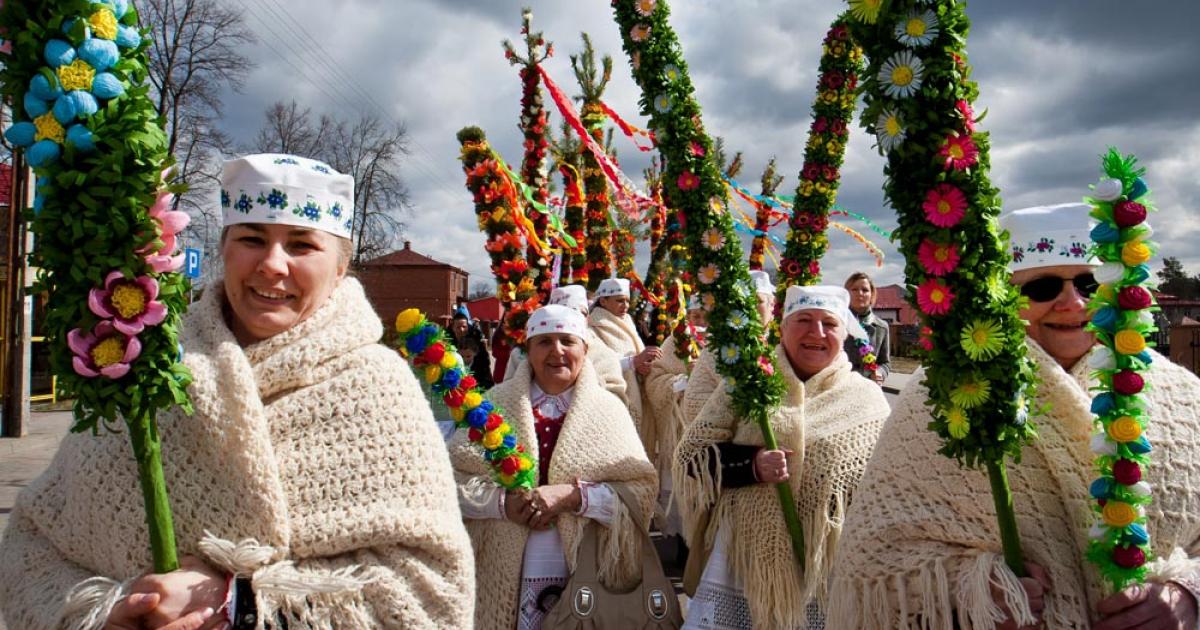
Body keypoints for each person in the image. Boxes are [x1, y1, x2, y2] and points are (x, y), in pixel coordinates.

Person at [0, 154, 474, 629]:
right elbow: (32, 544)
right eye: (251, 239)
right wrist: (108, 613)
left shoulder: (376, 390)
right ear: (224, 248)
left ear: (340, 266)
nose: (272, 265)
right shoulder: (146, 379)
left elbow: (433, 593)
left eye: (302, 245)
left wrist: (239, 605)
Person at [828, 203, 1200, 629]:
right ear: (1003, 297)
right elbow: (874, 556)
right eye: (1042, 288)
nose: (1071, 303)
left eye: (1089, 283)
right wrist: (972, 592)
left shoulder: (1183, 397)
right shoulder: (944, 393)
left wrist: (1187, 592)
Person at [674, 285, 890, 629]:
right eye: (803, 320)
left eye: (829, 324)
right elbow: (692, 456)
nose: (816, 333)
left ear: (844, 333)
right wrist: (752, 465)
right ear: (783, 327)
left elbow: (883, 490)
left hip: (828, 569)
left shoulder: (866, 399)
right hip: (745, 562)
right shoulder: (746, 384)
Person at [452, 304, 657, 630]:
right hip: (499, 571)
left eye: (567, 341)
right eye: (544, 341)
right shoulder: (494, 403)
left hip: (586, 573)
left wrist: (574, 497)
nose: (557, 351)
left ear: (585, 350)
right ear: (528, 350)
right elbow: (452, 482)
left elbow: (641, 491)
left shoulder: (608, 411)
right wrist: (504, 504)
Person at [644, 294, 708, 541]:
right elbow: (655, 380)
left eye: (704, 315)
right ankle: (683, 543)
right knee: (683, 491)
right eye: (694, 315)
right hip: (680, 429)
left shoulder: (724, 341)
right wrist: (681, 382)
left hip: (711, 427)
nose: (699, 320)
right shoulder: (674, 343)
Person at [501, 284, 628, 404]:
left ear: (588, 318)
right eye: (565, 313)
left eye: (581, 313)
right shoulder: (520, 355)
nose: (557, 350)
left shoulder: (605, 355)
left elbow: (616, 402)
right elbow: (509, 396)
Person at [682, 270, 775, 426]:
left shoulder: (784, 340)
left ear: (772, 306)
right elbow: (694, 401)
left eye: (757, 301)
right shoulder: (717, 344)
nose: (750, 307)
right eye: (743, 300)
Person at [588, 278, 662, 456]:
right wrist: (633, 362)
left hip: (638, 392)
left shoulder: (627, 322)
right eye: (620, 300)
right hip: (613, 401)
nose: (625, 305)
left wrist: (641, 365)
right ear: (603, 301)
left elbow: (633, 355)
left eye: (628, 300)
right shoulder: (592, 326)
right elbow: (598, 364)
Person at [843, 271, 891, 385]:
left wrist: (880, 373)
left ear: (872, 295)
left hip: (868, 389)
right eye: (854, 289)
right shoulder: (837, 322)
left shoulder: (881, 327)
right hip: (840, 387)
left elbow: (885, 363)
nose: (860, 293)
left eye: (865, 290)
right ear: (846, 294)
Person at [449, 305, 494, 389]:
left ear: (468, 327)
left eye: (464, 327)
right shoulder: (447, 343)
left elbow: (485, 371)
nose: (461, 329)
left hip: (476, 388)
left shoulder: (478, 345)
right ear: (453, 328)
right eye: (458, 327)